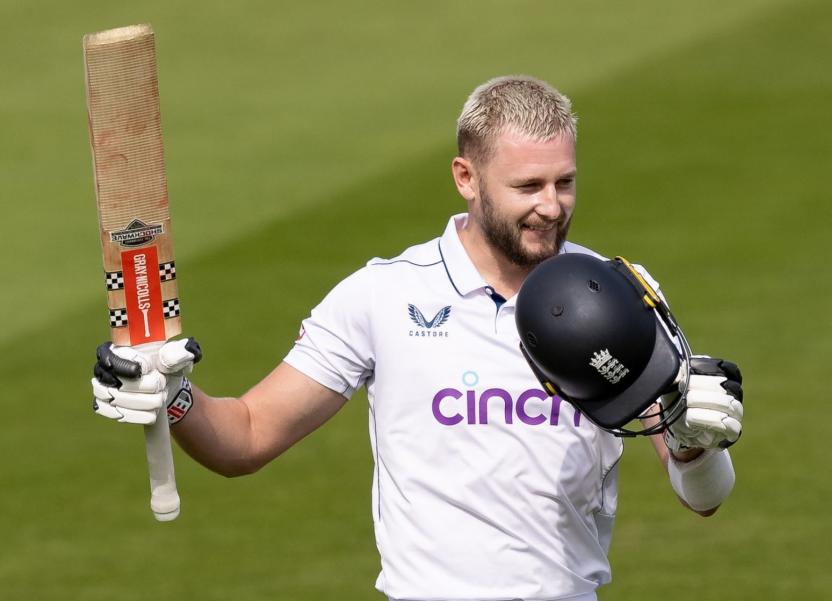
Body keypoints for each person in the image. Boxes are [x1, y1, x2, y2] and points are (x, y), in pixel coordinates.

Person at [91, 75, 744, 601]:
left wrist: (694, 445)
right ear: (466, 177)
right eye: (527, 186)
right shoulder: (382, 297)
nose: (552, 205)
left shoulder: (620, 292)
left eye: (564, 181)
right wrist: (173, 396)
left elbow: (703, 495)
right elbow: (249, 434)